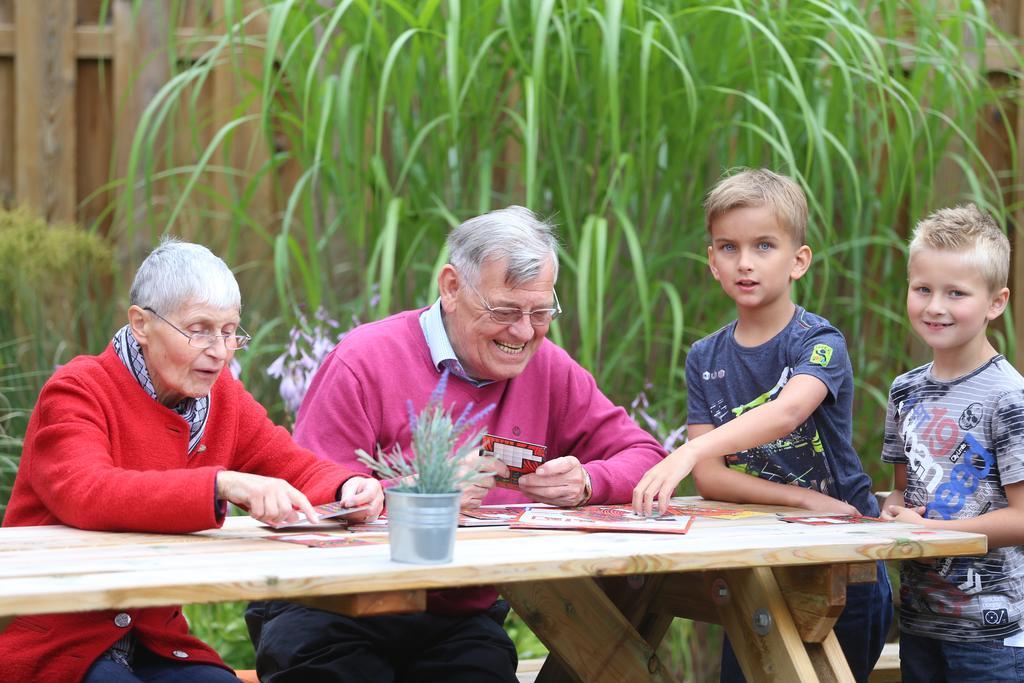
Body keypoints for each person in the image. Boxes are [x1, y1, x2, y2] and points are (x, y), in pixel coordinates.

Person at [246, 205, 667, 683]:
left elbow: (648, 458)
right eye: (505, 311)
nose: (525, 332)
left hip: (454, 616)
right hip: (330, 608)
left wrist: (589, 481)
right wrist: (426, 495)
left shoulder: (547, 367)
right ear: (451, 287)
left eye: (541, 311)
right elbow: (307, 505)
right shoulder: (362, 361)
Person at [0, 239, 384, 683]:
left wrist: (347, 488)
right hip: (57, 641)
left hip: (156, 641)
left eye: (229, 331)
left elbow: (293, 466)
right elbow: (88, 492)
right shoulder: (78, 389)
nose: (220, 351)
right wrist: (220, 485)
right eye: (199, 329)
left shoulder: (224, 400)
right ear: (141, 324)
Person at [632, 169, 892, 682]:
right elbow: (712, 478)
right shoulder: (705, 356)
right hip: (757, 570)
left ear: (799, 261)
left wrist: (684, 453)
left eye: (764, 246)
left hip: (841, 563)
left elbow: (788, 412)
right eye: (728, 247)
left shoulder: (817, 341)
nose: (745, 263)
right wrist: (804, 499)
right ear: (712, 261)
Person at [878, 204, 1024, 682]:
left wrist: (928, 535)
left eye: (955, 293)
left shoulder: (1009, 397)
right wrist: (894, 513)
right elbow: (904, 491)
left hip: (992, 631)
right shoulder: (904, 391)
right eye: (922, 289)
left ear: (995, 302)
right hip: (921, 620)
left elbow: (1022, 519)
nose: (934, 306)